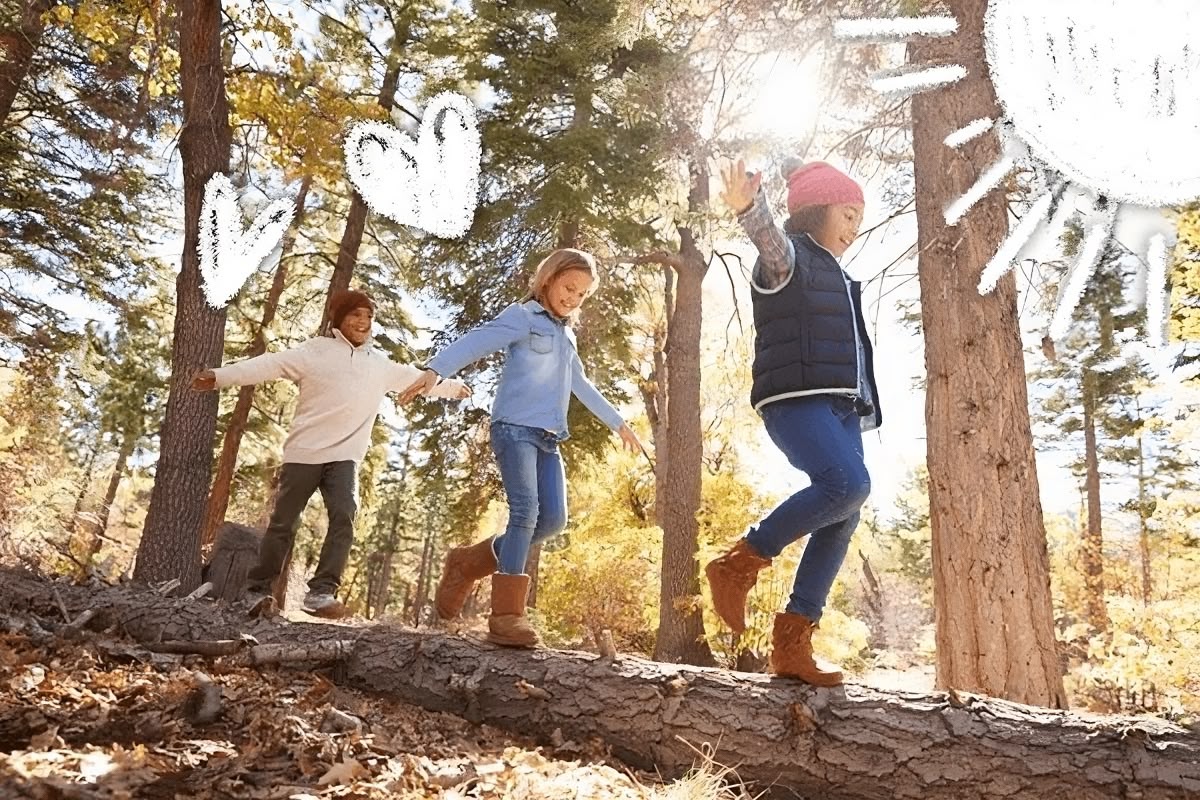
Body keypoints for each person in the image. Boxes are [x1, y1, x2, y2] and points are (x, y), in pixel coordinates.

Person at [401, 248, 643, 648]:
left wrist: (619, 423)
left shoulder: (566, 336)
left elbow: (581, 385)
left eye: (582, 294)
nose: (574, 298)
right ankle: (506, 616)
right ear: (548, 279)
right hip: (514, 429)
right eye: (569, 288)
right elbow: (478, 341)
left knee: (553, 521)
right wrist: (434, 370)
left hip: (548, 438)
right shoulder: (522, 317)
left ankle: (467, 564)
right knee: (525, 512)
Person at [706, 158, 883, 686]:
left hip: (842, 407)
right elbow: (769, 242)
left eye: (859, 219)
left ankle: (792, 643)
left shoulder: (840, 275)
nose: (854, 228)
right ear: (814, 211)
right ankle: (739, 564)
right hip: (795, 399)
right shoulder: (791, 259)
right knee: (848, 484)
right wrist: (750, 209)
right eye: (847, 215)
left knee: (843, 513)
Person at [192, 289, 469, 618]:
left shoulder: (379, 365)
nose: (363, 322)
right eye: (356, 315)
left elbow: (418, 379)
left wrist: (453, 388)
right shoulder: (314, 352)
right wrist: (218, 377)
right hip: (304, 453)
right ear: (339, 318)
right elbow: (268, 364)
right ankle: (257, 590)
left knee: (345, 514)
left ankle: (321, 592)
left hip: (345, 457)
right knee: (283, 524)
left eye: (369, 316)